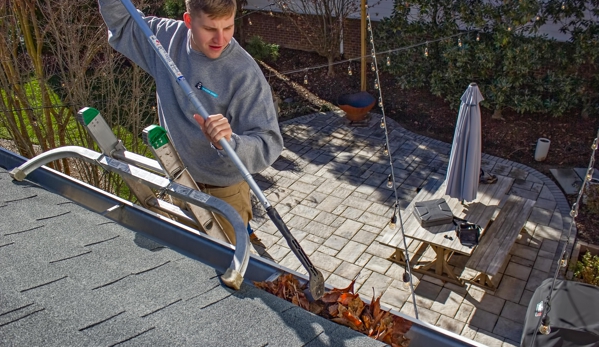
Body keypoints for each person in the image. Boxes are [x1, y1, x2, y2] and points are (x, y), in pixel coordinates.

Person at [98, 0, 283, 244]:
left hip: (222, 194)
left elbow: (269, 143)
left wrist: (230, 142)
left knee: (227, 272)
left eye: (228, 27)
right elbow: (122, 22)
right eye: (209, 29)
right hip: (180, 182)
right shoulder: (164, 40)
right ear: (187, 21)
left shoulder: (243, 73)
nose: (221, 39)